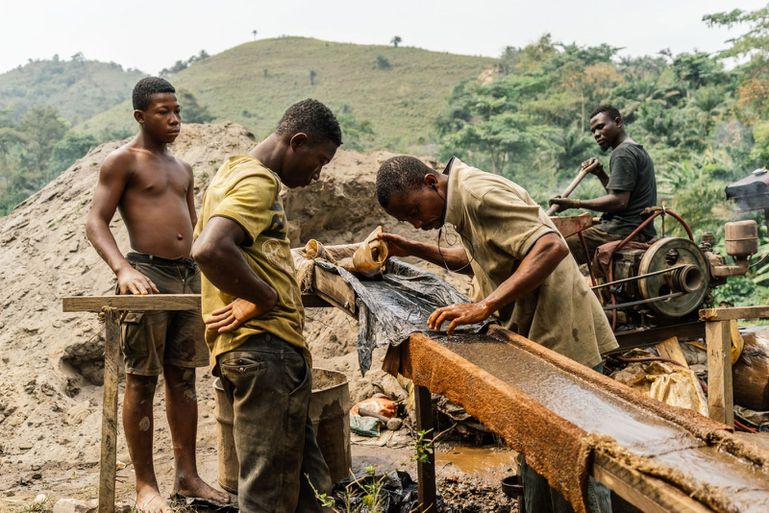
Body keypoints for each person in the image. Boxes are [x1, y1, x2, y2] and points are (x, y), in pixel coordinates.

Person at [375, 155, 617, 513]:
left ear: (431, 182)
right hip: (532, 337)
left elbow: (551, 245)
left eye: (414, 211)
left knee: (575, 462)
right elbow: (475, 258)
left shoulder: (479, 193)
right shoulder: (460, 204)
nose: (417, 222)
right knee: (536, 456)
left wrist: (484, 306)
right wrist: (413, 249)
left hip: (563, 336)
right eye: (407, 221)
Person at [85, 77, 229, 513]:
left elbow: (197, 229)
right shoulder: (122, 161)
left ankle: (187, 478)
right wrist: (123, 269)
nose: (174, 120)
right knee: (142, 379)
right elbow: (95, 221)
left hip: (189, 277)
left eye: (177, 111)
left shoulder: (183, 169)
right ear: (140, 116)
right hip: (146, 274)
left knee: (184, 378)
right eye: (164, 112)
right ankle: (145, 486)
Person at [192, 98, 341, 513]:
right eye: (320, 160)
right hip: (265, 349)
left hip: (267, 354)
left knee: (311, 488)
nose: (319, 172)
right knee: (267, 496)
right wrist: (264, 296)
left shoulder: (232, 172)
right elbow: (209, 249)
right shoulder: (259, 182)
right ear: (298, 141)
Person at [548, 105, 658, 265]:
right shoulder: (636, 150)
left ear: (618, 122)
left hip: (624, 230)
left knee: (555, 246)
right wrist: (600, 173)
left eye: (601, 127)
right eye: (593, 131)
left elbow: (619, 202)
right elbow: (619, 195)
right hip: (635, 228)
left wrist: (574, 204)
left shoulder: (622, 153)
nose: (597, 134)